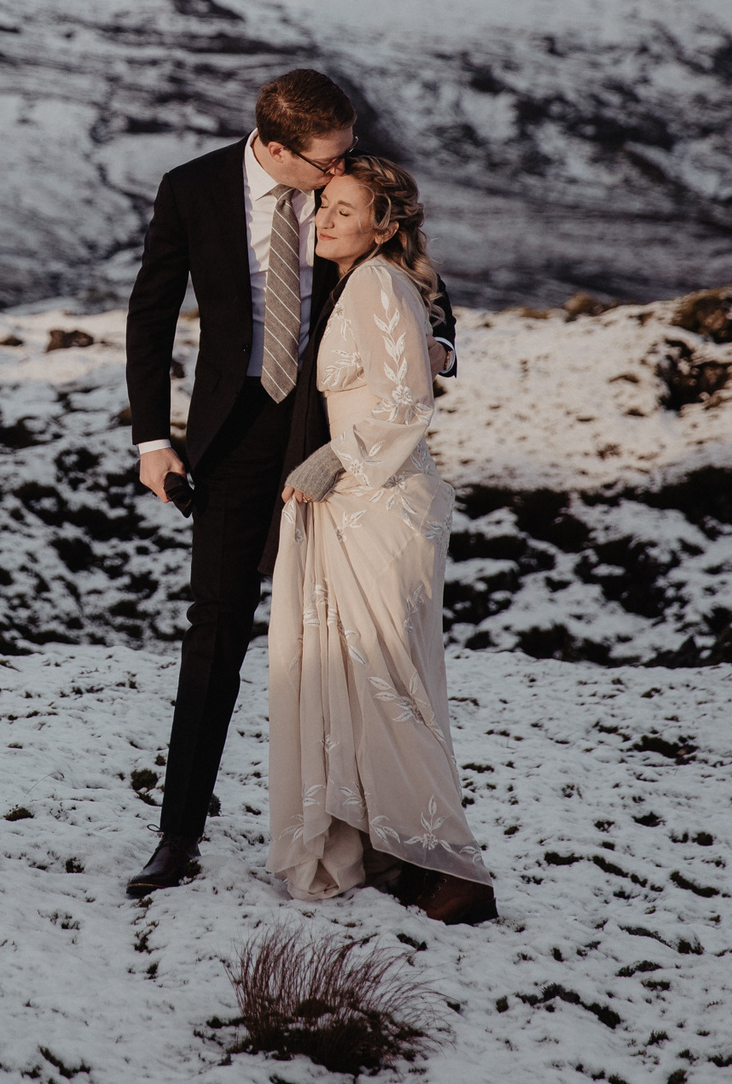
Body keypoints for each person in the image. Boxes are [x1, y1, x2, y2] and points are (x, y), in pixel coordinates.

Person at [122, 69, 455, 897]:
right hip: (233, 439)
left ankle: (381, 834)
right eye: (324, 160)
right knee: (217, 628)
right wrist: (151, 439)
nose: (341, 170)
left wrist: (438, 344)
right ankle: (178, 833)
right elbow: (151, 311)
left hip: (333, 432)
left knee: (354, 638)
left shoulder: (347, 184)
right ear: (275, 147)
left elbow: (419, 268)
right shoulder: (192, 189)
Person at [267, 154, 496, 922]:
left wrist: (332, 457)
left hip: (381, 502)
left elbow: (408, 398)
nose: (323, 219)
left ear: (383, 223)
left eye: (341, 208)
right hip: (359, 504)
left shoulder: (376, 283)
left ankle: (455, 867)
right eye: (322, 205)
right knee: (371, 683)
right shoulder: (363, 281)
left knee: (389, 686)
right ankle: (396, 849)